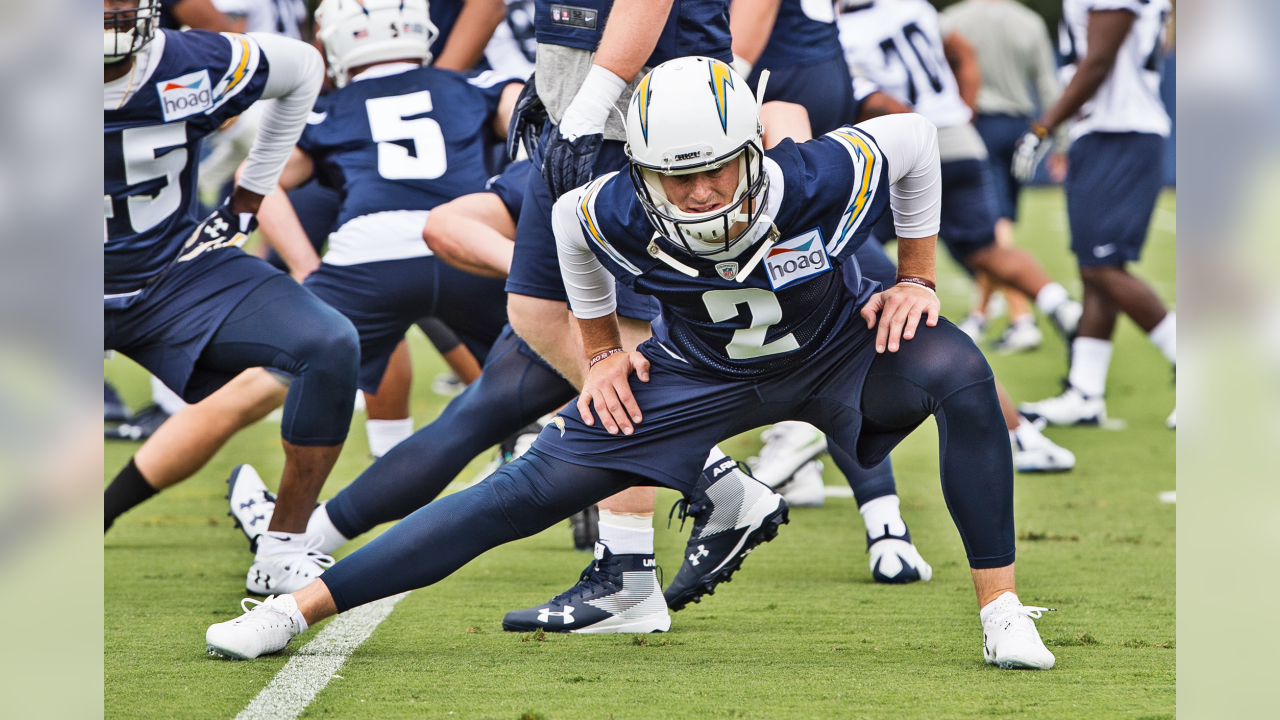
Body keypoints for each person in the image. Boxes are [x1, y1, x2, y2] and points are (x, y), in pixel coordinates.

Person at [206, 57, 1058, 670]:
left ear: (751, 151)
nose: (695, 195)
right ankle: (291, 611)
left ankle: (1003, 611)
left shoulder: (810, 176)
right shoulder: (610, 206)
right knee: (514, 495)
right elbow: (572, 230)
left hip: (837, 351)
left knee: (960, 370)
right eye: (673, 176)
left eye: (716, 171)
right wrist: (602, 350)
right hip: (693, 376)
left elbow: (910, 139)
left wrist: (915, 277)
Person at [103, 0, 362, 600]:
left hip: (173, 276)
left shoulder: (192, 61)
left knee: (328, 342)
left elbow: (300, 67)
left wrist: (251, 195)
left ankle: (282, 549)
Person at [244, 0, 520, 468]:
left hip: (383, 194)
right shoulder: (476, 87)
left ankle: (401, 454)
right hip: (456, 179)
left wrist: (307, 268)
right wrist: (434, 90)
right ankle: (525, 436)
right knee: (534, 351)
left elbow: (253, 180)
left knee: (299, 358)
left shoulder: (336, 101)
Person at [838, 0, 1082, 350]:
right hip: (959, 140)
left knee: (851, 242)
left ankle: (877, 335)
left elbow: (880, 105)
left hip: (905, 153)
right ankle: (1062, 306)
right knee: (986, 248)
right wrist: (962, 112)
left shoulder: (843, 31)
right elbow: (964, 54)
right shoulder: (912, 7)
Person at [1014, 0, 1175, 427]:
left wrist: (1044, 126)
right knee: (1094, 267)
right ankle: (1085, 392)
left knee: (1104, 267)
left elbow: (1099, 60)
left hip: (1120, 131)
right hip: (1106, 130)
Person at [940, 0, 1064, 354]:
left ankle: (1019, 319)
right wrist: (1060, 143)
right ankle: (985, 315)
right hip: (1016, 128)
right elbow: (1046, 84)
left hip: (973, 125)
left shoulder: (951, 19)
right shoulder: (1030, 22)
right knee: (1000, 221)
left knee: (992, 229)